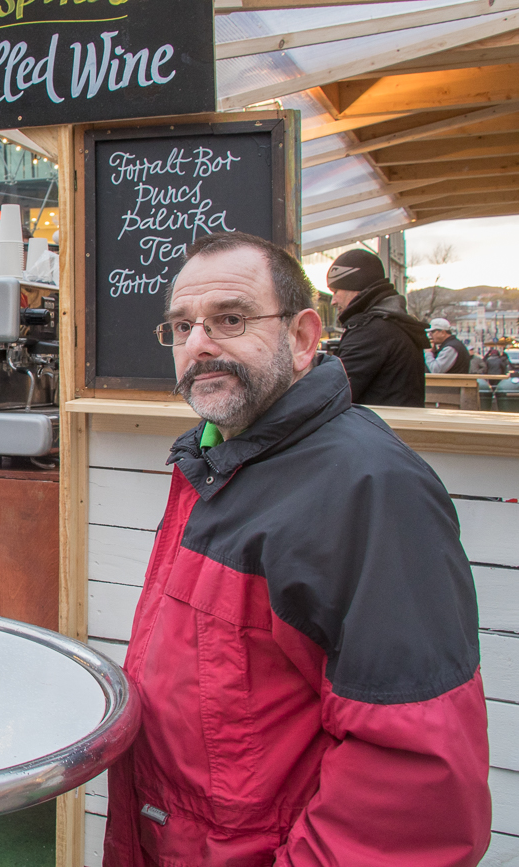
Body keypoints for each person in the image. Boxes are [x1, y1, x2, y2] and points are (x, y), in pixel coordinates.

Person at [105, 231, 490, 865]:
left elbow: (413, 797)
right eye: (181, 328)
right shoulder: (216, 460)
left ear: (304, 338)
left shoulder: (369, 490)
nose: (199, 344)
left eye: (229, 319)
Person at [325, 248, 429, 407]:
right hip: (394, 425)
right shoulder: (392, 323)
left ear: (355, 286)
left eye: (336, 291)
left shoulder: (371, 331)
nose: (333, 301)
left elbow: (332, 393)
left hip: (377, 427)